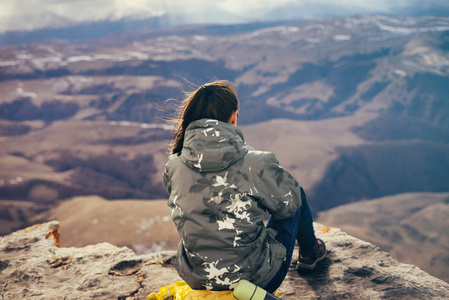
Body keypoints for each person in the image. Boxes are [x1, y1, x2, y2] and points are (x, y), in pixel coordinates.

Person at [163, 80, 326, 293]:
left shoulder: (174, 164)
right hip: (255, 281)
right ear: (233, 118)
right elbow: (290, 204)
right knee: (295, 195)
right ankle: (310, 254)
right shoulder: (254, 163)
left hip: (198, 279)